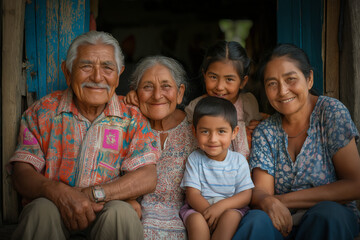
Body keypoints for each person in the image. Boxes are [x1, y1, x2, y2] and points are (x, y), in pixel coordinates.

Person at [9, 31, 159, 240]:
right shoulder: (43, 111)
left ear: (119, 74)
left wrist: (94, 194)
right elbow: (21, 173)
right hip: (53, 206)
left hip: (107, 207)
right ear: (67, 72)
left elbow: (147, 176)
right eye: (86, 66)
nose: (97, 77)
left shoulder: (131, 117)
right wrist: (59, 192)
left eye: (107, 67)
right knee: (40, 211)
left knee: (121, 214)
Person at [233, 44, 360, 240]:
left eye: (290, 79)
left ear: (309, 79)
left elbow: (355, 184)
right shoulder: (266, 131)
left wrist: (280, 200)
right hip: (281, 225)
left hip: (328, 223)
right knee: (256, 220)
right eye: (272, 83)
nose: (283, 91)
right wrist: (268, 202)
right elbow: (261, 192)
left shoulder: (330, 113)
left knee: (327, 214)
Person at [126, 55, 198, 239]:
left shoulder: (198, 129)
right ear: (135, 93)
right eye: (148, 87)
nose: (157, 95)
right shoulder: (126, 125)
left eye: (166, 86)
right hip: (135, 222)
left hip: (187, 222)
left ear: (180, 92)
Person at [180, 96, 254, 240]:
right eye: (205, 131)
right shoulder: (194, 159)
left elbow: (246, 195)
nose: (213, 139)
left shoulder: (239, 161)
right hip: (199, 208)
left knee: (231, 217)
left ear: (234, 132)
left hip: (229, 208)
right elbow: (193, 195)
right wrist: (209, 213)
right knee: (196, 221)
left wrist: (220, 208)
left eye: (221, 131)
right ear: (195, 132)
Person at [184, 40, 264, 159]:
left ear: (243, 82)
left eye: (229, 79)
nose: (220, 87)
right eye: (213, 77)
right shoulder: (195, 106)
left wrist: (259, 126)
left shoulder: (248, 103)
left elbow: (254, 129)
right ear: (204, 75)